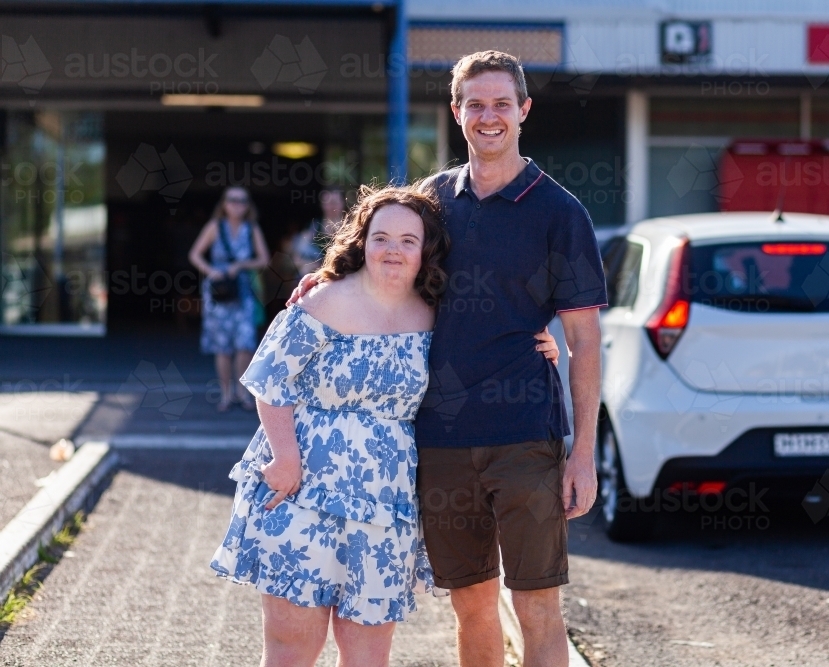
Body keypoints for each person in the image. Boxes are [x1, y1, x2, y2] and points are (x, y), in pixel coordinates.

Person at [291, 50, 606, 667]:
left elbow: (586, 340)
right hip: (439, 439)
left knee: (538, 605)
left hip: (526, 438)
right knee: (472, 604)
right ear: (457, 112)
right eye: (476, 105)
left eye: (502, 105)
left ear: (524, 111)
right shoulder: (432, 202)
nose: (490, 117)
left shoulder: (562, 214)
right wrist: (321, 280)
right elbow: (374, 257)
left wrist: (584, 454)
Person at [210, 183, 562, 667]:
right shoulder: (321, 301)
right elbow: (270, 381)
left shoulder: (437, 314)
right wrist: (285, 458)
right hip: (303, 493)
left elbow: (491, 339)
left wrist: (537, 341)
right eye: (381, 237)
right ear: (361, 241)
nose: (393, 250)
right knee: (292, 648)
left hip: (383, 504)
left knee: (368, 656)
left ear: (426, 252)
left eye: (408, 241)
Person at [188, 186, 271, 412]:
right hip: (218, 292)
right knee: (222, 346)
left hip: (243, 291)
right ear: (224, 204)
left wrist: (241, 265)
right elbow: (195, 254)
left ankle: (242, 393)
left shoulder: (251, 228)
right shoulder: (215, 226)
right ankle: (226, 394)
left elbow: (263, 259)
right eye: (232, 200)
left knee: (245, 343)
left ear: (248, 205)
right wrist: (210, 270)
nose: (237, 204)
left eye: (242, 201)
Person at [293, 188, 347, 277]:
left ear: (343, 203)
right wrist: (310, 265)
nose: (330, 207)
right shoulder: (312, 228)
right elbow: (296, 258)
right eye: (327, 203)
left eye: (334, 202)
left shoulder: (352, 229)